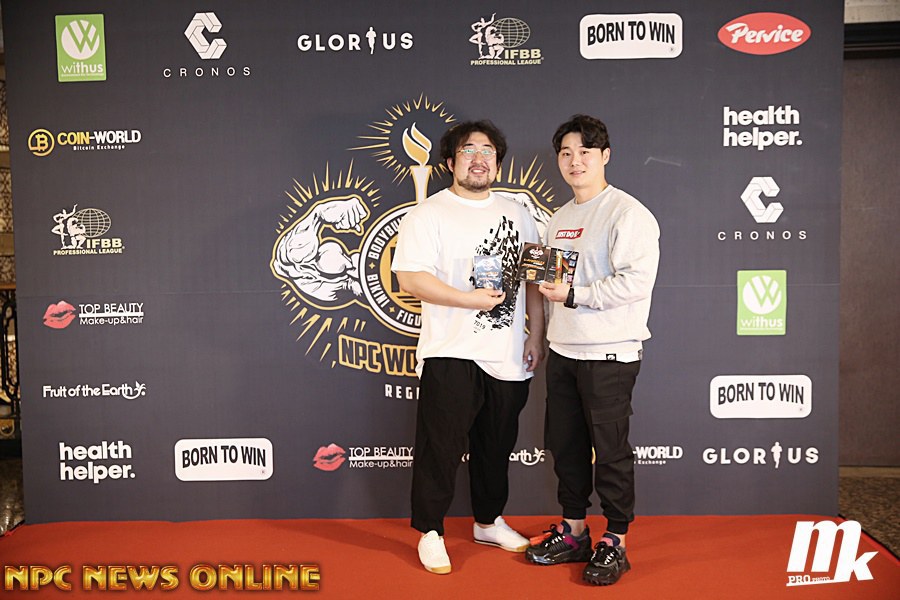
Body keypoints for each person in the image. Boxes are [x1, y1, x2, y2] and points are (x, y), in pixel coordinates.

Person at [391, 120, 545, 575]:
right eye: (468, 150)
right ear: (450, 162)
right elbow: (410, 278)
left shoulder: (519, 213)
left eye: (488, 151)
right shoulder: (428, 214)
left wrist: (535, 333)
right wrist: (467, 299)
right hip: (450, 350)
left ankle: (488, 521)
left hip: (508, 353)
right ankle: (430, 531)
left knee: (496, 445)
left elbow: (533, 279)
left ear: (498, 163)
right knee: (439, 447)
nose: (479, 159)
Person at [526, 115, 659, 586]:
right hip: (563, 351)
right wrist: (539, 335)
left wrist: (576, 295)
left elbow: (636, 282)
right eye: (566, 153)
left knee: (611, 451)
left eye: (585, 152)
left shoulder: (628, 213)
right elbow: (544, 285)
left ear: (605, 156)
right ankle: (575, 531)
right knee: (566, 447)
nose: (575, 161)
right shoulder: (558, 219)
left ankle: (615, 540)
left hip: (610, 353)